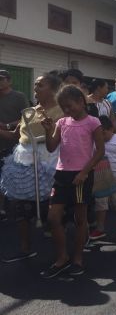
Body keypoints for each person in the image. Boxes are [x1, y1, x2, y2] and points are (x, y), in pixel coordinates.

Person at [41, 85, 105, 278]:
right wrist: (48, 130)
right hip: (62, 174)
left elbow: (100, 151)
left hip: (81, 175)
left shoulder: (93, 122)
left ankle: (77, 258)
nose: (67, 111)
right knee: (53, 218)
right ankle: (62, 257)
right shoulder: (62, 122)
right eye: (63, 107)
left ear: (80, 101)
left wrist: (84, 172)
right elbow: (52, 147)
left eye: (69, 106)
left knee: (79, 219)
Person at [0, 73, 62, 262]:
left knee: (54, 207)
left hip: (52, 161)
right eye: (35, 86)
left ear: (53, 89)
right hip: (24, 162)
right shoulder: (29, 112)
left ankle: (61, 250)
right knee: (21, 206)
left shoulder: (63, 111)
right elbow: (14, 136)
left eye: (40, 85)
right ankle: (25, 248)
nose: (35, 89)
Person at [89, 116, 116, 240]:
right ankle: (100, 228)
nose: (102, 136)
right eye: (99, 133)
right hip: (101, 178)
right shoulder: (95, 143)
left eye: (104, 133)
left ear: (111, 129)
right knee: (100, 203)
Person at [0, 69, 29, 219]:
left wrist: (7, 126)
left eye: (1, 78)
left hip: (14, 143)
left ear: (9, 81)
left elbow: (26, 118)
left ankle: (18, 208)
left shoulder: (19, 97)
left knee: (13, 175)